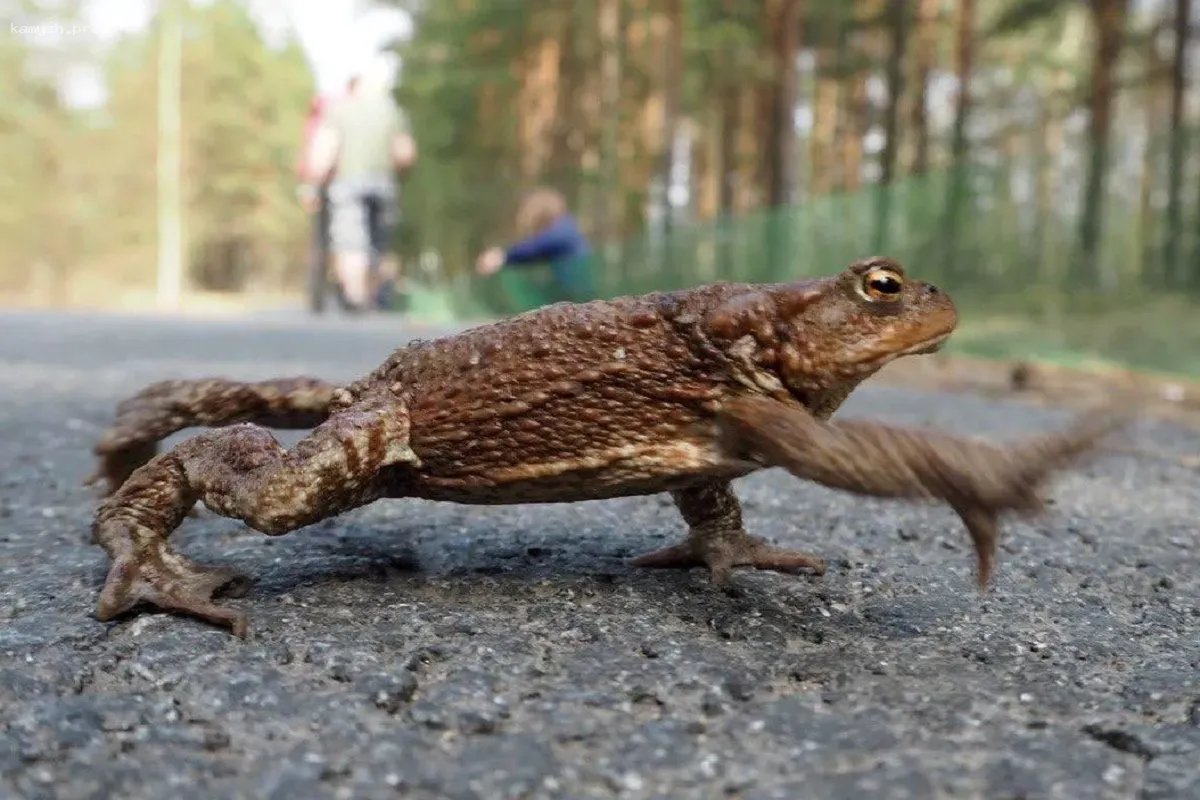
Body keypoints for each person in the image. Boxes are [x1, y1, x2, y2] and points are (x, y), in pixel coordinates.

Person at [304, 68, 416, 313]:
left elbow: (325, 149)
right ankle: (371, 294)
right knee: (378, 242)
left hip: (347, 182)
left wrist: (313, 182)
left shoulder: (339, 110)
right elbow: (405, 154)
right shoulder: (391, 111)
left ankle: (356, 296)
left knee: (350, 239)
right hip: (383, 183)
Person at [475, 187, 597, 305]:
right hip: (572, 296)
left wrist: (503, 257)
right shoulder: (565, 226)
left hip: (577, 297)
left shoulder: (563, 229)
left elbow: (537, 247)